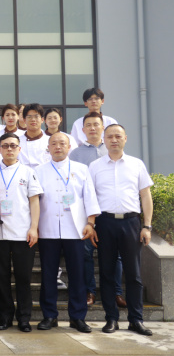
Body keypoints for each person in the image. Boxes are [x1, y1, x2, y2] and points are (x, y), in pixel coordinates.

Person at [89, 124, 154, 336]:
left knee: (134, 274)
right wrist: (91, 225)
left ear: (125, 138)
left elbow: (145, 196)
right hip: (105, 223)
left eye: (118, 136)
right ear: (104, 139)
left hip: (131, 223)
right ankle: (111, 319)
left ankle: (136, 319)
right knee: (107, 273)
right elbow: (89, 198)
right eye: (110, 137)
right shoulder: (95, 166)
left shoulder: (136, 164)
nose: (114, 140)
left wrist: (147, 226)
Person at [35, 133, 100, 333]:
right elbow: (34, 201)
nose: (58, 147)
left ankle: (77, 317)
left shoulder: (81, 169)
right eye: (53, 143)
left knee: (77, 275)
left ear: (69, 146)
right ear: (48, 148)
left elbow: (89, 196)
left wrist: (90, 223)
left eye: (62, 143)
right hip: (48, 229)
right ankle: (49, 316)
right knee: (48, 275)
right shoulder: (39, 171)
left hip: (75, 229)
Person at [70, 112, 125, 308]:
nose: (92, 128)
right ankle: (90, 291)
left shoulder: (112, 150)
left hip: (110, 212)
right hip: (86, 214)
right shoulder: (75, 154)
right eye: (88, 125)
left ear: (103, 127)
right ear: (82, 129)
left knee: (115, 255)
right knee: (86, 253)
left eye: (96, 124)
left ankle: (116, 292)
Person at [0, 133, 43, 332]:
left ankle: (24, 318)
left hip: (23, 233)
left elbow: (34, 201)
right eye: (5, 146)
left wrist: (34, 227)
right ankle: (4, 317)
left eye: (13, 146)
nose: (9, 149)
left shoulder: (28, 172)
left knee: (23, 278)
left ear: (19, 149)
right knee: (1, 278)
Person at [19, 103, 50, 168]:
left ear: (42, 120)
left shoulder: (50, 141)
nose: (33, 120)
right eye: (29, 117)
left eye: (36, 116)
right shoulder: (17, 142)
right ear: (24, 120)